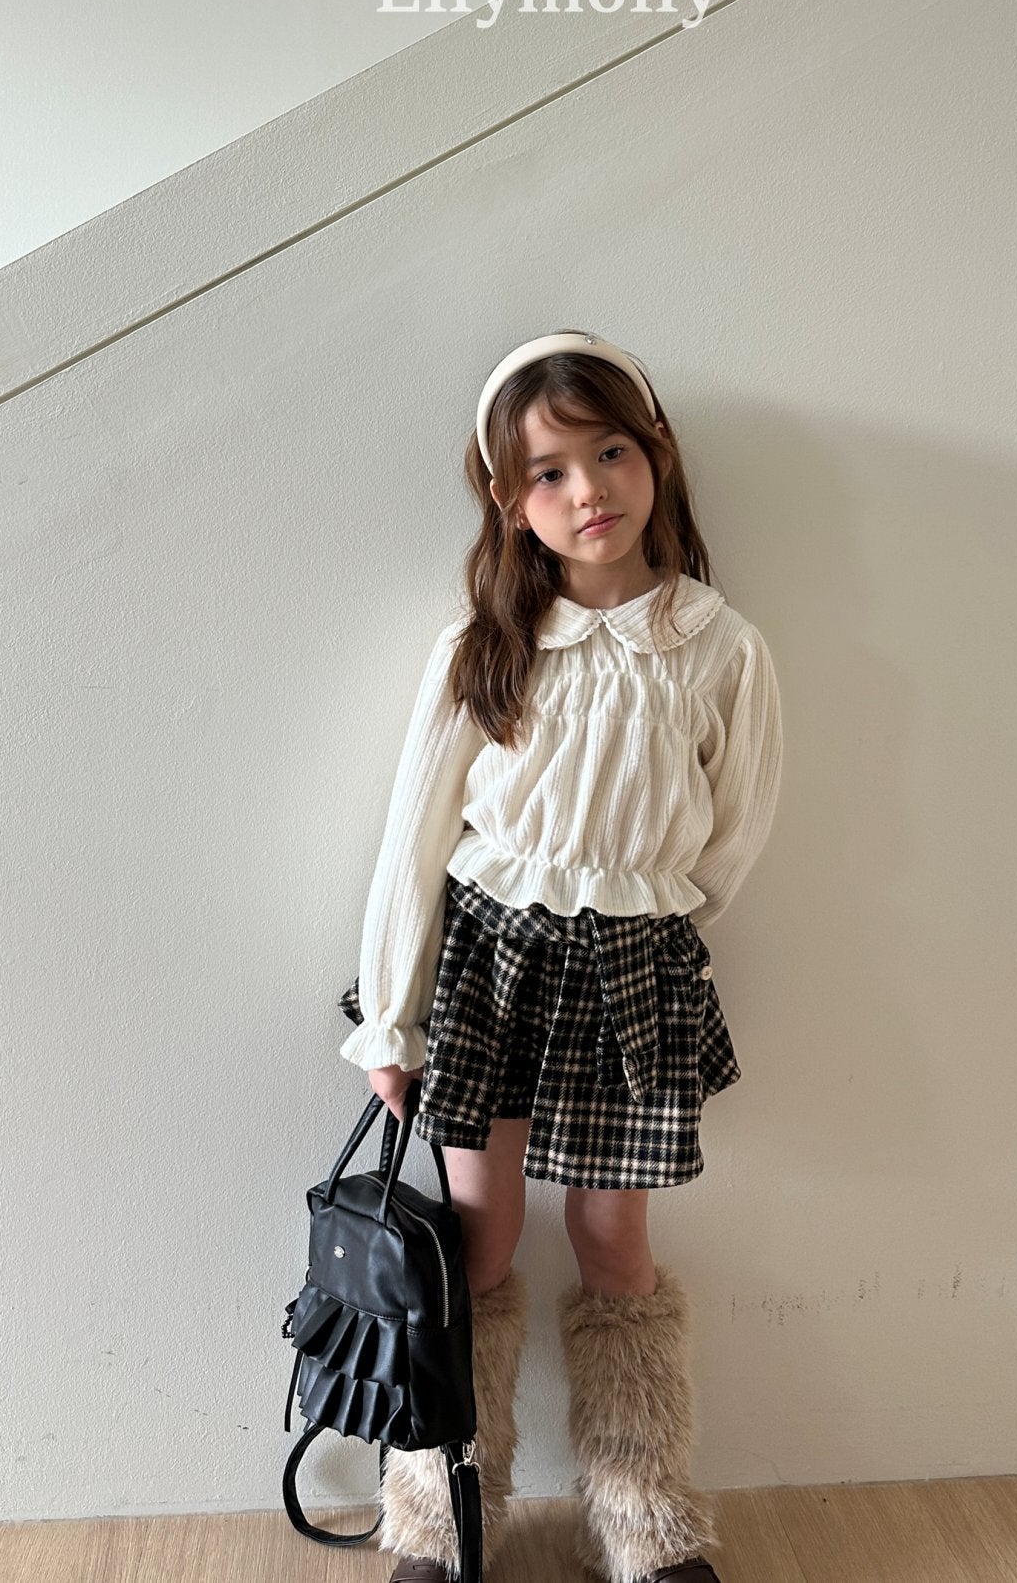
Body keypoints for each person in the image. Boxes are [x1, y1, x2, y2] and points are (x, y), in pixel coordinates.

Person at [337, 328, 784, 1583]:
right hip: (487, 967)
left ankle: (643, 1522)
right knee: (475, 1243)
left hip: (630, 976)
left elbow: (733, 835)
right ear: (506, 496)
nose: (587, 490)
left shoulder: (718, 646)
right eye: (548, 472)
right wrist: (390, 1020)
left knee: (612, 1243)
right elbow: (413, 843)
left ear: (656, 456)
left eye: (609, 453)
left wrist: (642, 930)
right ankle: (438, 1516)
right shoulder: (482, 645)